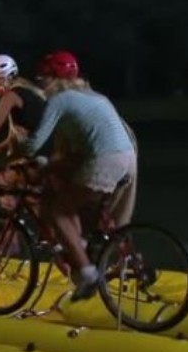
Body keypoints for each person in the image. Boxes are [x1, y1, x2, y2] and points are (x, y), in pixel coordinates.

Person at [18, 50, 138, 302]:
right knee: (61, 190)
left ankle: (88, 273)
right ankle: (79, 246)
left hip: (105, 160)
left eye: (43, 79)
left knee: (59, 212)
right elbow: (75, 148)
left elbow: (34, 143)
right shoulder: (93, 96)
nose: (41, 84)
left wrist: (15, 151)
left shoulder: (60, 100)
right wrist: (49, 166)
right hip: (127, 158)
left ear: (52, 79)